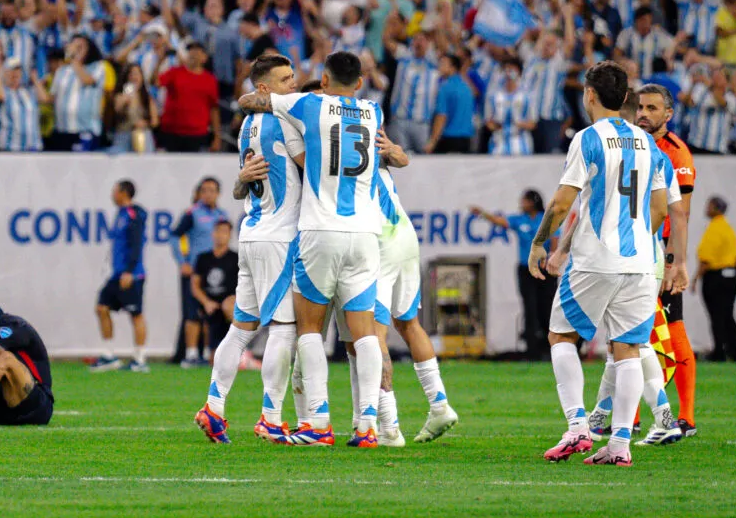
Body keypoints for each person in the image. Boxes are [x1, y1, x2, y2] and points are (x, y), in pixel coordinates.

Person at [237, 51, 385, 447]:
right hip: (366, 233)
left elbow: (251, 101)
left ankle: (318, 423)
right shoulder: (373, 111)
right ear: (359, 83)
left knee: (308, 329)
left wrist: (269, 100)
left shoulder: (310, 103)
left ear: (322, 79)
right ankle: (367, 423)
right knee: (364, 333)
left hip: (321, 229)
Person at [527, 62, 669, 467]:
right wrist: (638, 239)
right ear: (625, 98)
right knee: (627, 350)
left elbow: (561, 202)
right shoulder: (648, 144)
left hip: (595, 259)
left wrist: (541, 244)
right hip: (641, 262)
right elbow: (659, 209)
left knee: (561, 337)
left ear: (589, 94)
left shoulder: (588, 139)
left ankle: (577, 428)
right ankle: (620, 444)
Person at [196, 54, 300, 444]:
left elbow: (248, 177)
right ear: (263, 88)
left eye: (293, 77)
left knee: (240, 330)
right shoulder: (285, 122)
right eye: (285, 79)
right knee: (283, 330)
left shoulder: (246, 127)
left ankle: (214, 406)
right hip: (277, 235)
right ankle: (272, 417)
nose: (293, 84)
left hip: (252, 231)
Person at [369, 160, 458, 444]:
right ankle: (439, 404)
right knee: (408, 324)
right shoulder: (373, 147)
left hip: (381, 240)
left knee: (374, 332)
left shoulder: (343, 157)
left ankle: (390, 426)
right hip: (405, 235)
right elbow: (400, 157)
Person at [633, 84, 699, 436]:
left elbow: (681, 215)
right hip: (632, 251)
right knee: (629, 333)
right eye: (640, 107)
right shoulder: (631, 143)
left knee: (672, 331)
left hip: (659, 254)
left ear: (668, 115)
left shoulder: (676, 153)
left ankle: (684, 416)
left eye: (652, 108)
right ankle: (633, 417)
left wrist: (675, 263)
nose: (643, 113)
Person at [470, 190, 557, 359]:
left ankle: (549, 348)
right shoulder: (520, 220)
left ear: (533, 202)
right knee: (529, 309)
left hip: (544, 269)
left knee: (547, 309)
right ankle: (533, 350)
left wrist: (552, 256)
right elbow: (499, 221)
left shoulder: (546, 218)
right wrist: (483, 213)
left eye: (525, 200)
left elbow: (554, 240)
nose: (522, 203)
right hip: (526, 270)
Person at [90, 179, 149, 373]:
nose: (112, 194)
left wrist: (129, 271)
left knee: (136, 314)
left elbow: (136, 243)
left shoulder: (134, 214)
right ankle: (109, 355)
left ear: (124, 192)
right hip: (116, 274)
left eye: (114, 191)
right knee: (101, 308)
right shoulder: (121, 214)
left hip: (131, 275)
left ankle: (139, 359)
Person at [170, 177, 228, 367]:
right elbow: (174, 236)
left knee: (210, 313)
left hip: (214, 272)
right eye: (204, 190)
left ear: (218, 193)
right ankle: (190, 354)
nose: (208, 194)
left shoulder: (222, 215)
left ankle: (206, 353)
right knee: (191, 312)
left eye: (212, 190)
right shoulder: (192, 213)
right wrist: (182, 261)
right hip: (194, 270)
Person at [694, 196, 736, 362]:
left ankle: (719, 352)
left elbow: (706, 259)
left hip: (717, 277)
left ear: (715, 208)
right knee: (727, 314)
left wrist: (695, 279)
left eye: (709, 205)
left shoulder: (715, 228)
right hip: (732, 274)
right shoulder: (727, 228)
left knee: (717, 316)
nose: (706, 208)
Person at [190, 220, 239, 360]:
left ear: (230, 235)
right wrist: (206, 302)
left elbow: (244, 285)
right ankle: (192, 354)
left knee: (230, 307)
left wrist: (232, 300)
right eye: (218, 231)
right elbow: (195, 285)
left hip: (229, 302)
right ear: (213, 233)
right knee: (192, 312)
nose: (220, 235)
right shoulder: (203, 258)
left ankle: (238, 349)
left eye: (224, 232)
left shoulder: (236, 258)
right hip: (208, 301)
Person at [426, 53, 476, 154]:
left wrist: (432, 142)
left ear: (453, 67)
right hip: (466, 139)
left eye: (443, 63)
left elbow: (441, 116)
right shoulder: (467, 87)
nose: (439, 66)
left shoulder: (445, 87)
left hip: (449, 139)